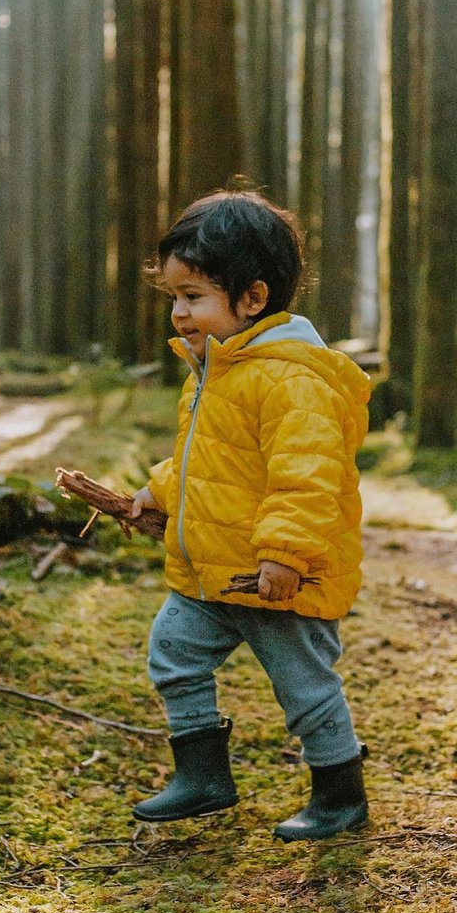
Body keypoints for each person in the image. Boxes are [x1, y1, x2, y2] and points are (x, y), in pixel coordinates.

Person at [129, 189, 372, 841]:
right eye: (175, 297)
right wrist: (158, 493)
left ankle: (340, 795)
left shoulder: (291, 378)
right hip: (215, 572)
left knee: (306, 693)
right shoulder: (216, 367)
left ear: (253, 298)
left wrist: (285, 555)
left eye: (194, 297)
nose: (179, 313)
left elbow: (308, 475)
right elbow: (205, 458)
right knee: (173, 651)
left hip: (277, 579)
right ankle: (202, 776)